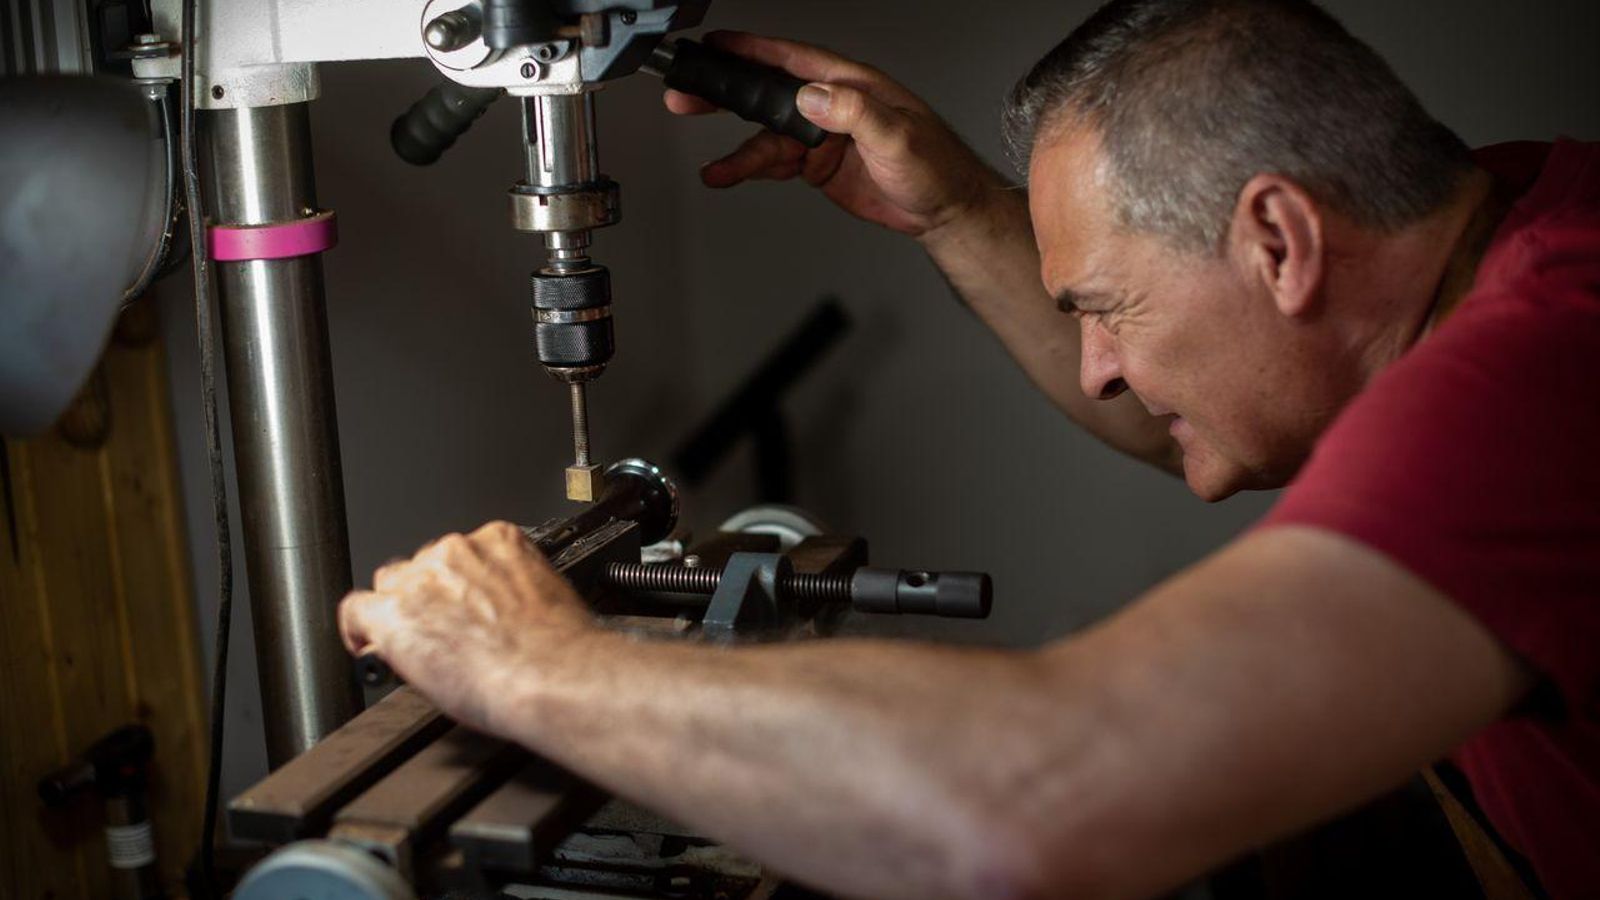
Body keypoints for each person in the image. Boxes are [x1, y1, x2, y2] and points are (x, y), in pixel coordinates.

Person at [339, 1, 1599, 896]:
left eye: (1105, 307)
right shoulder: (1498, 233)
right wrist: (952, 212)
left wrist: (529, 661)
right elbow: (1204, 420)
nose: (1097, 368)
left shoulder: (1538, 377)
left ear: (1278, 240)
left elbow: (1046, 801)